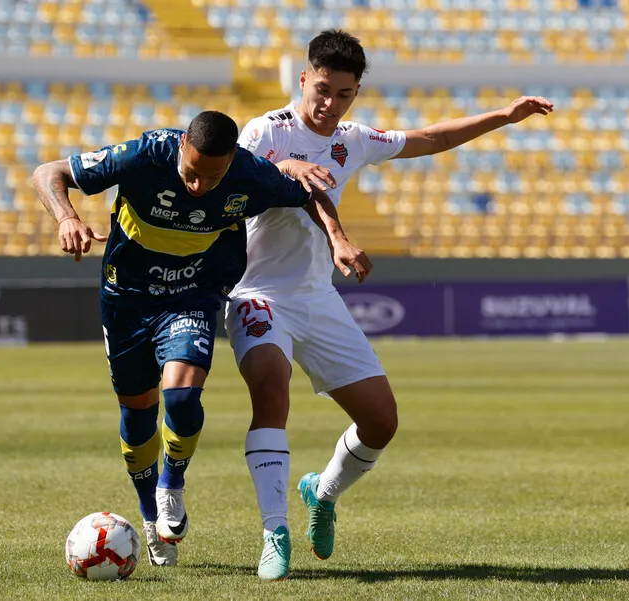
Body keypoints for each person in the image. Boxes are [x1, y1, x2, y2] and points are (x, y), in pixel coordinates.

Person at [226, 29, 554, 580]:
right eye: (323, 90)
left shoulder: (351, 139)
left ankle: (322, 493)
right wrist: (288, 169)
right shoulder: (267, 130)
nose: (331, 105)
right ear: (304, 80)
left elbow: (429, 138)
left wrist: (503, 116)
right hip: (259, 293)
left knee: (381, 422)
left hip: (316, 296)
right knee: (269, 389)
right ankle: (273, 531)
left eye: (345, 94)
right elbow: (235, 173)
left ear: (356, 93)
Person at [31, 110, 370, 568]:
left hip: (192, 296)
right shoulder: (145, 153)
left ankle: (172, 484)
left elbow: (306, 193)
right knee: (137, 413)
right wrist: (66, 217)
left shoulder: (247, 173)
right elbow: (47, 172)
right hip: (126, 300)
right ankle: (151, 521)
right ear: (181, 148)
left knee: (183, 396)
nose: (198, 187)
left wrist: (336, 237)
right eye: (191, 173)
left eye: (213, 178)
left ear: (232, 161)